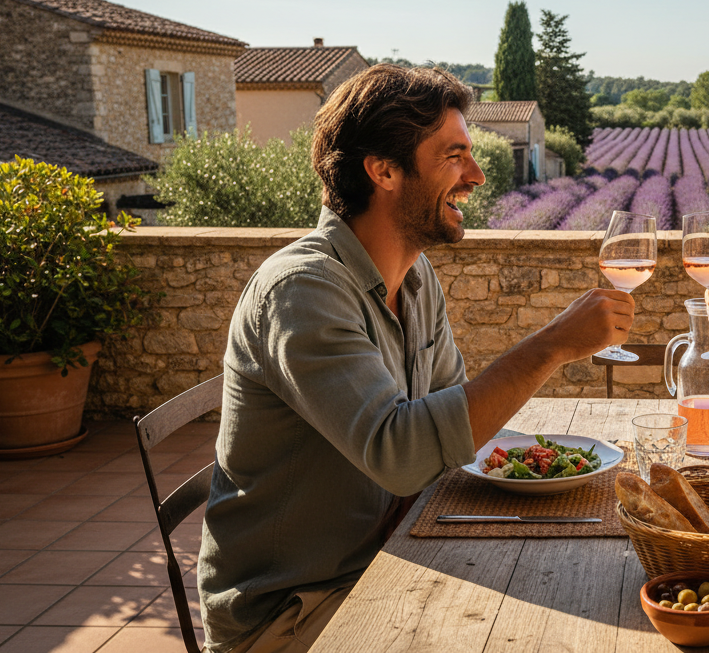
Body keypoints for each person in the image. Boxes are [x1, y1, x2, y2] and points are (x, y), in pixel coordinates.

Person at [197, 65, 635, 653]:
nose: (476, 176)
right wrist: (552, 344)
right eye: (454, 157)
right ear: (382, 170)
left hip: (388, 553)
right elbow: (404, 456)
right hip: (295, 610)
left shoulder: (415, 276)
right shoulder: (302, 291)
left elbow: (455, 423)